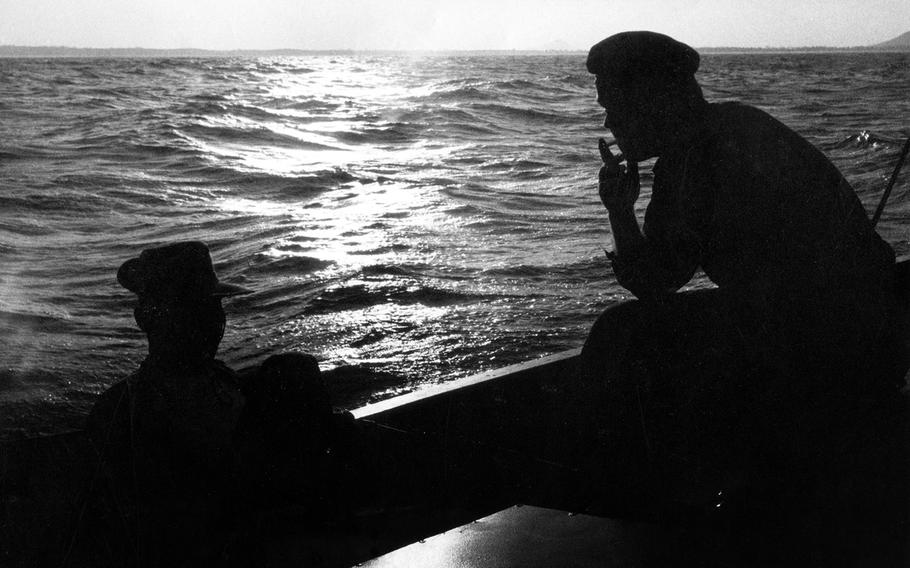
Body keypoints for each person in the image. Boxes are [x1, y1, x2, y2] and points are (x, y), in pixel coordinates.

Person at [580, 31, 907, 556]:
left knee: (626, 334)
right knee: (627, 332)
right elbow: (656, 279)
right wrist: (620, 208)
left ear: (652, 96)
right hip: (813, 328)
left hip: (833, 338)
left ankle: (638, 520)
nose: (608, 122)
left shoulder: (720, 147)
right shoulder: (695, 150)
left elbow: (659, 283)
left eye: (614, 103)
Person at [85, 241, 251, 565]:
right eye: (193, 311)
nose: (213, 323)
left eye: (214, 308)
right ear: (150, 319)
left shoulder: (232, 384)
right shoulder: (119, 413)